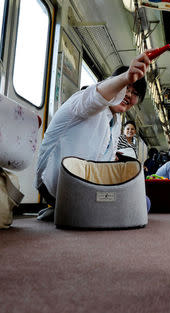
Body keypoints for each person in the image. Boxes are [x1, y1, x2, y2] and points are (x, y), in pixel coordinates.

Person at [35, 50, 153, 221]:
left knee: (142, 201)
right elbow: (96, 97)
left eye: (135, 93)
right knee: (137, 205)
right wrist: (126, 77)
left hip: (84, 186)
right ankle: (70, 209)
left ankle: (67, 211)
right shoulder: (84, 101)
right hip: (56, 183)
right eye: (126, 87)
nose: (128, 95)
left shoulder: (116, 120)